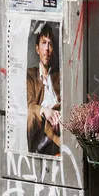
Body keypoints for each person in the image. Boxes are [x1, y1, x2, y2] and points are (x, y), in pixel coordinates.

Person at [25, 23, 62, 155]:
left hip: (59, 123)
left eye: (50, 44)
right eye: (44, 43)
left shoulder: (59, 76)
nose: (47, 48)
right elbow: (30, 106)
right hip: (41, 128)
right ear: (37, 48)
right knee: (33, 114)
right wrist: (45, 110)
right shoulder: (30, 75)